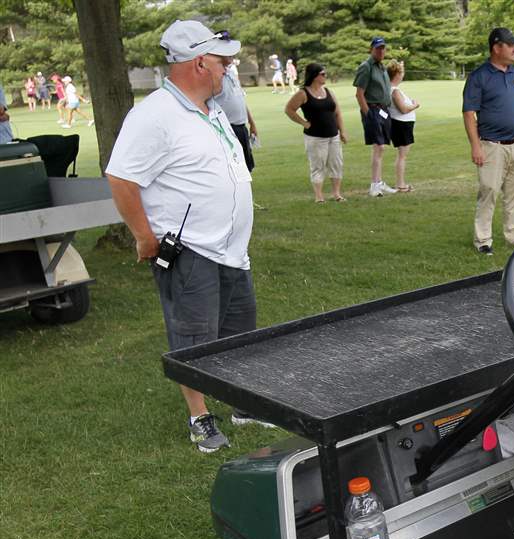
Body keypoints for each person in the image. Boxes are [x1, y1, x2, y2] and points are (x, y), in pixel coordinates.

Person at [106, 20, 262, 452]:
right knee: (193, 337)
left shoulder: (209, 107)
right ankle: (200, 418)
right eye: (223, 62)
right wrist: (144, 237)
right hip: (190, 249)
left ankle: (241, 403)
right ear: (199, 63)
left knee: (239, 331)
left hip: (232, 248)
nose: (228, 69)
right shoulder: (154, 115)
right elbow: (121, 178)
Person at [461, 27, 514, 254]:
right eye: (510, 44)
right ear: (497, 47)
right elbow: (469, 113)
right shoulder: (479, 76)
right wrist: (475, 146)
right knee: (489, 191)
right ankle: (483, 240)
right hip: (491, 146)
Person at [285, 62, 347, 202]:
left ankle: (336, 194)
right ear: (314, 76)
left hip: (333, 135)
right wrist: (303, 122)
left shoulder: (329, 92)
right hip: (315, 137)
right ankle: (319, 196)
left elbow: (337, 113)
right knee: (318, 165)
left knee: (336, 164)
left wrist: (342, 131)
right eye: (323, 74)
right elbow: (289, 109)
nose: (325, 76)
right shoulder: (303, 93)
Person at [354, 36, 397, 197]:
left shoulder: (382, 67)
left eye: (383, 48)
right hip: (373, 110)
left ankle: (379, 182)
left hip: (384, 111)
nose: (381, 51)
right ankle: (374, 185)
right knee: (378, 146)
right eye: (378, 48)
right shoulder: (366, 67)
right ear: (371, 49)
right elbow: (359, 94)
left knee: (382, 147)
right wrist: (368, 114)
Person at [217, 61, 258, 172]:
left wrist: (252, 123)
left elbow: (241, 100)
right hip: (227, 129)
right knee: (235, 170)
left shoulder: (231, 73)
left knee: (247, 168)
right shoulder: (214, 76)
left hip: (241, 127)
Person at [387, 59, 420, 191]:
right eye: (401, 72)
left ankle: (400, 183)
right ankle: (400, 184)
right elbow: (403, 109)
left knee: (402, 155)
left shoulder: (393, 89)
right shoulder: (395, 91)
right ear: (397, 74)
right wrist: (415, 105)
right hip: (401, 125)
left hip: (402, 124)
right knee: (402, 156)